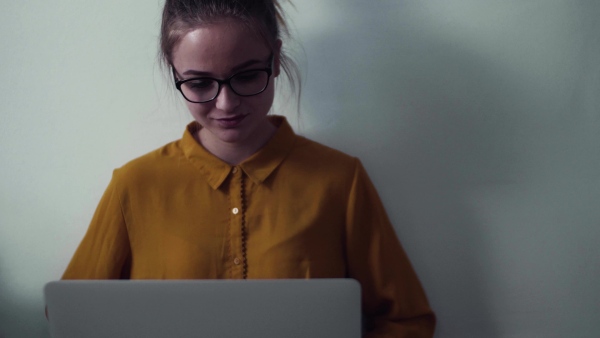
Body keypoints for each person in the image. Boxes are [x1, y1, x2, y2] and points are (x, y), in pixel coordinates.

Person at [61, 0, 436, 336]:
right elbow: (70, 314)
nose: (226, 103)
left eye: (246, 76)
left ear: (274, 59)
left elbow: (407, 321)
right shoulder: (134, 185)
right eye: (199, 82)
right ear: (174, 73)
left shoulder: (340, 180)